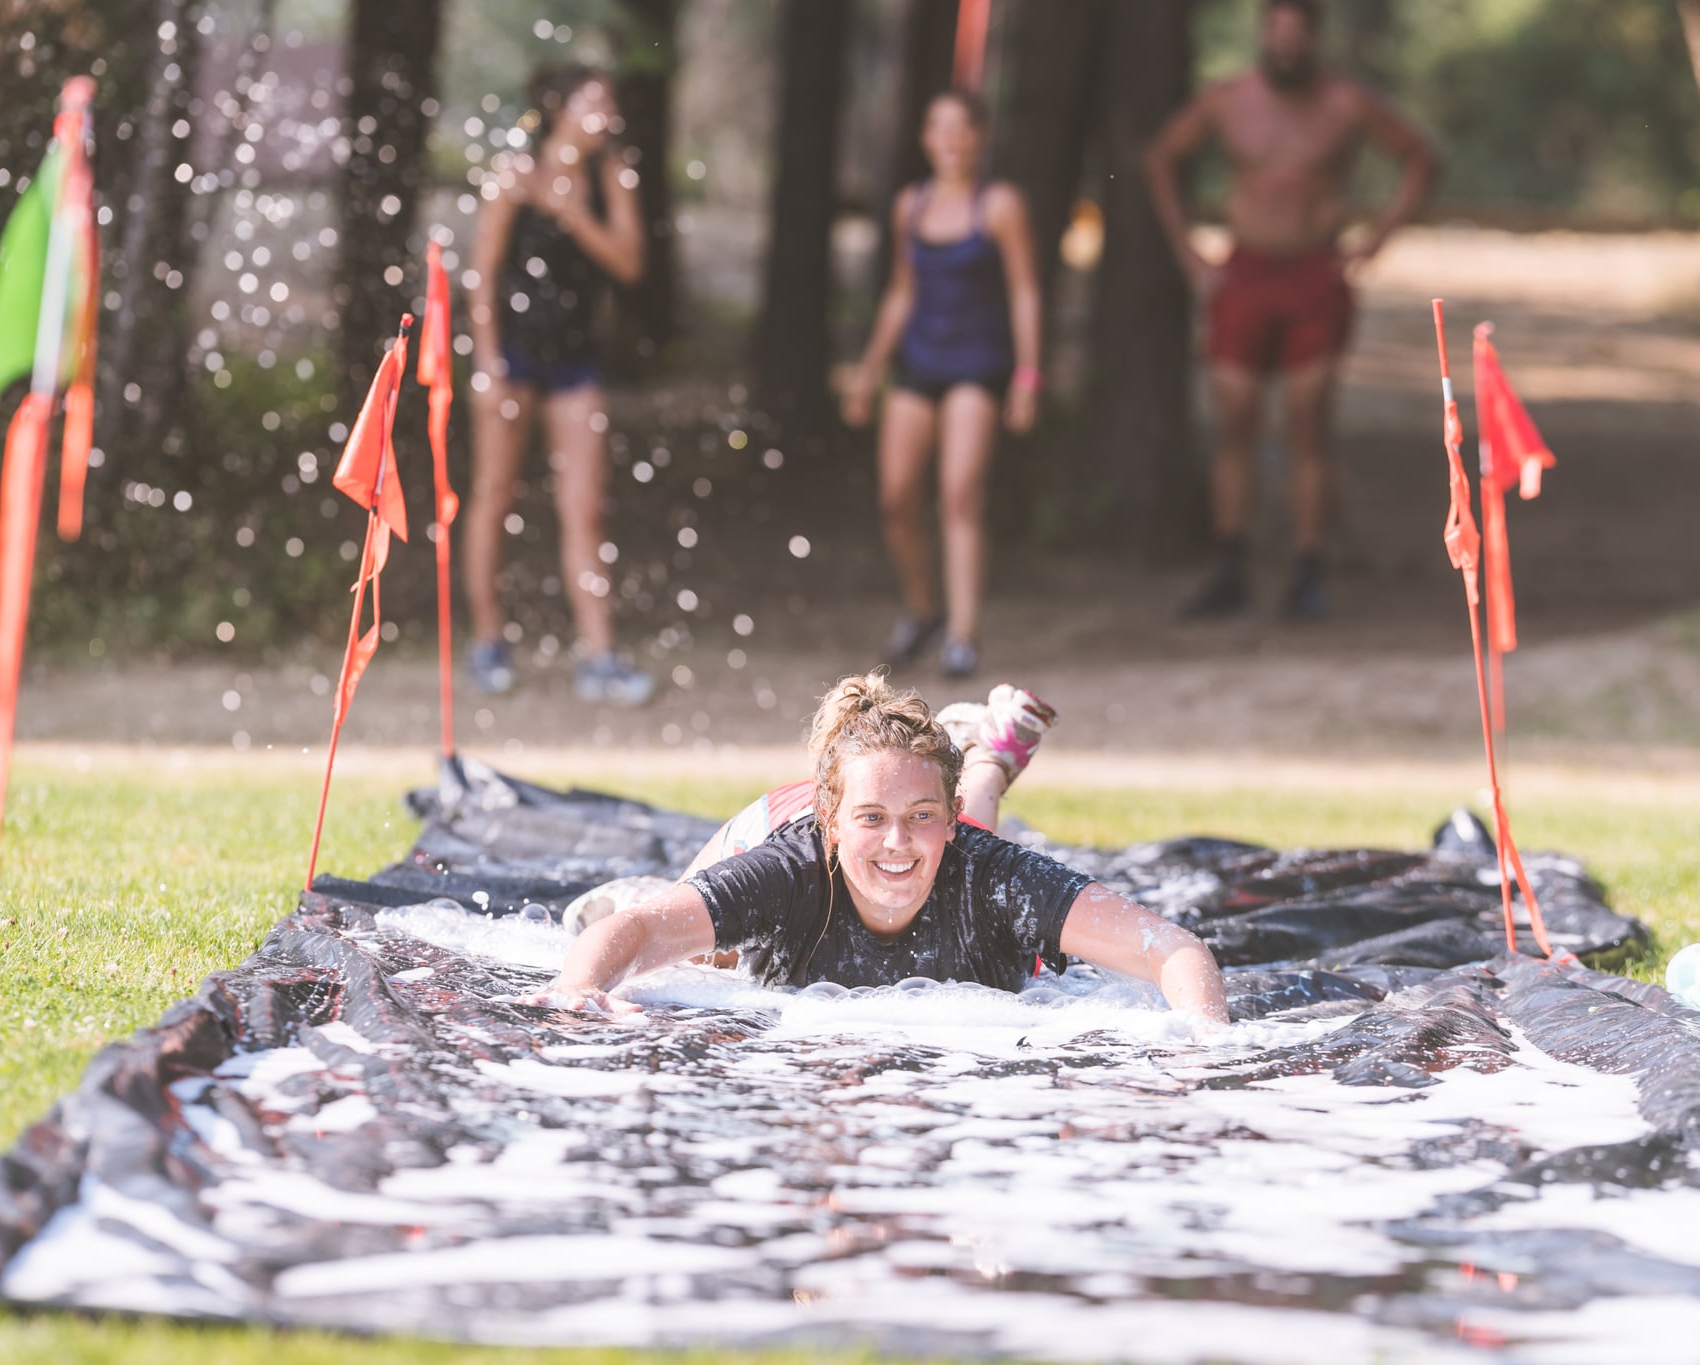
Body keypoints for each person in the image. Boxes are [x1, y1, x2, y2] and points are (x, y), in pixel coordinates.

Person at [536, 674, 1230, 1026]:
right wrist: (578, 994)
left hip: (951, 837)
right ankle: (983, 754)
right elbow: (633, 932)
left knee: (969, 856)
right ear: (833, 820)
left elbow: (1169, 947)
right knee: (694, 955)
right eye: (870, 818)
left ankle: (985, 760)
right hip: (765, 827)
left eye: (925, 815)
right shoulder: (791, 866)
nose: (896, 841)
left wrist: (1201, 1047)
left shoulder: (980, 865)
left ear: (947, 816)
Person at [1144, 0, 1439, 622]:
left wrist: (1376, 241)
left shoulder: (1345, 104)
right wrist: (1188, 252)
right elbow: (1162, 157)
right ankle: (1230, 565)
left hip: (1315, 274)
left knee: (1308, 423)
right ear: (1262, 35)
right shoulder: (1230, 100)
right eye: (1274, 32)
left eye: (1295, 34)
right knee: (1235, 419)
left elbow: (1419, 158)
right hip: (1244, 273)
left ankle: (1308, 568)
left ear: (1314, 37)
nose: (1284, 44)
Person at [463, 63, 654, 705]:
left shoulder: (611, 177)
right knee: (494, 496)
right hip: (512, 356)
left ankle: (599, 656)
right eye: (593, 99)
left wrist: (572, 213)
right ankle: (488, 640)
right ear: (559, 107)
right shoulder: (513, 171)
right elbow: (482, 275)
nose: (607, 111)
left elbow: (629, 265)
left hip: (577, 361)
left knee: (586, 509)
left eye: (610, 100)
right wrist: (487, 364)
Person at [843, 90, 1043, 680]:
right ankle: (923, 610)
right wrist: (868, 371)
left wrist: (1027, 376)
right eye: (939, 128)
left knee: (958, 493)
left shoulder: (1000, 205)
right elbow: (902, 292)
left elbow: (1025, 291)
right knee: (896, 499)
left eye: (962, 129)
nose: (951, 140)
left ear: (980, 137)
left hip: (976, 367)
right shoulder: (911, 205)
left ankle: (962, 634)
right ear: (925, 138)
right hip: (918, 364)